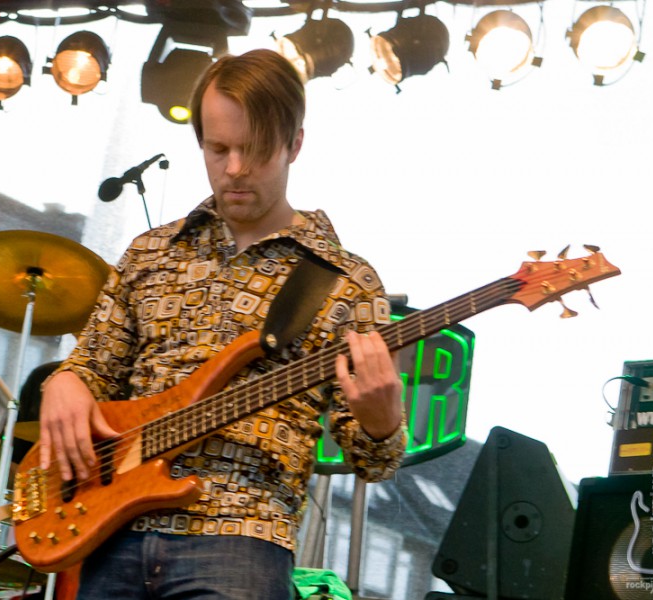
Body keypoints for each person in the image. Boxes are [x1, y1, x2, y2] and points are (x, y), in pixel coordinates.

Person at [38, 48, 407, 600]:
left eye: (254, 151)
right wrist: (64, 382)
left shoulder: (345, 284)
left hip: (242, 538)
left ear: (294, 144)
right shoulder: (151, 253)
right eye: (218, 149)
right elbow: (92, 364)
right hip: (113, 530)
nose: (233, 168)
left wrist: (381, 421)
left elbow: (372, 460)